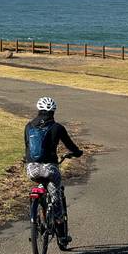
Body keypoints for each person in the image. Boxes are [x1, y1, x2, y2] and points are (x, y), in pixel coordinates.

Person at [24, 96, 83, 241]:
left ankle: (37, 215)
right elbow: (70, 145)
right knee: (55, 196)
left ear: (39, 109)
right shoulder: (57, 128)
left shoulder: (28, 126)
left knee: (40, 184)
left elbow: (27, 146)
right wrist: (77, 152)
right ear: (53, 111)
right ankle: (61, 233)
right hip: (50, 168)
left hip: (31, 169)